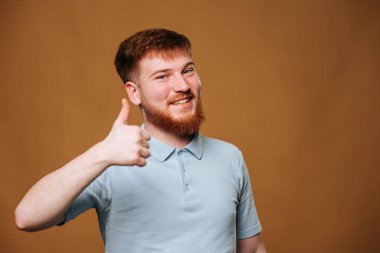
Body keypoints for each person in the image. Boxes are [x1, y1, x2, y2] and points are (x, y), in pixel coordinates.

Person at [15, 28, 266, 253]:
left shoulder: (230, 156)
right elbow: (27, 217)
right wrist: (101, 154)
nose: (182, 85)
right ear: (134, 93)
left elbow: (252, 248)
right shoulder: (110, 161)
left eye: (187, 70)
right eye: (162, 76)